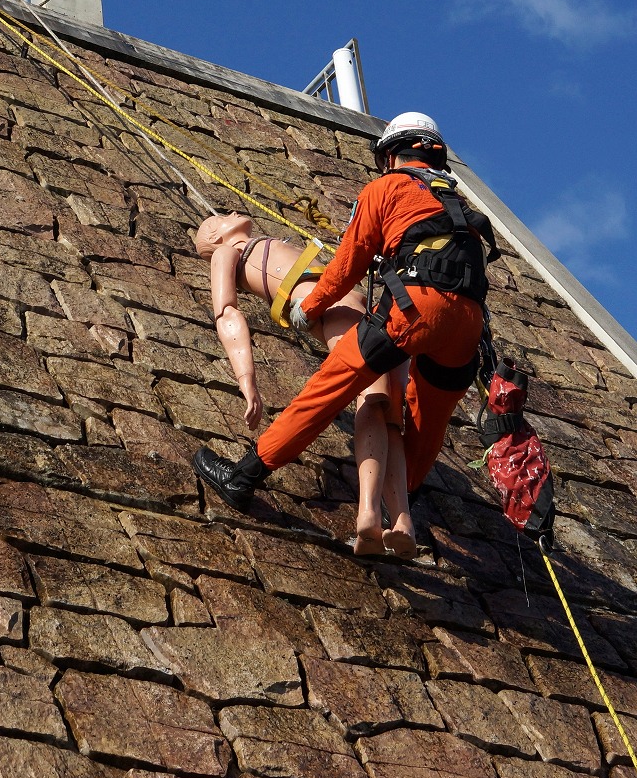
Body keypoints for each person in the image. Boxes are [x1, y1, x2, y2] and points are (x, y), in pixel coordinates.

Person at [193, 112, 498, 521]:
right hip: (469, 326)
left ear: (391, 155)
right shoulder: (457, 202)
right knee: (427, 422)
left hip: (416, 308)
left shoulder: (386, 187)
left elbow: (348, 262)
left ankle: (244, 477)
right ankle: (402, 505)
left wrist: (311, 308)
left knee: (330, 387)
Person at [194, 212, 416, 556]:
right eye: (220, 217)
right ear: (213, 235)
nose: (232, 213)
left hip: (367, 308)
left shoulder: (269, 243)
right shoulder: (227, 253)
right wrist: (246, 378)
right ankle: (385, 516)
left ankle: (391, 519)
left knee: (386, 412)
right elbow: (226, 313)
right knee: (377, 404)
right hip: (347, 310)